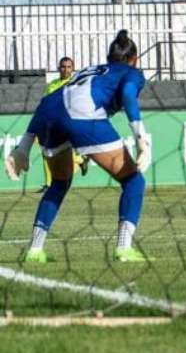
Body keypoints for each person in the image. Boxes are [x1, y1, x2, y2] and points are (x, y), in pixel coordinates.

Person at [4, 30, 151, 263]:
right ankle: (124, 248)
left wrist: (23, 146)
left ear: (109, 57)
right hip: (84, 117)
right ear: (134, 59)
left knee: (59, 183)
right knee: (133, 180)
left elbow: (48, 102)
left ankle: (35, 250)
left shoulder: (90, 70)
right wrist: (140, 138)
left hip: (49, 117)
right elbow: (128, 95)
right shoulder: (132, 73)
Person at [36, 57, 89, 193]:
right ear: (59, 68)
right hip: (52, 124)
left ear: (73, 69)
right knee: (46, 152)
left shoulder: (74, 84)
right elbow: (45, 104)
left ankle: (79, 160)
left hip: (68, 122)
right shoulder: (52, 85)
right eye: (63, 66)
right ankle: (48, 184)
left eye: (69, 67)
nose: (66, 69)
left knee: (64, 150)